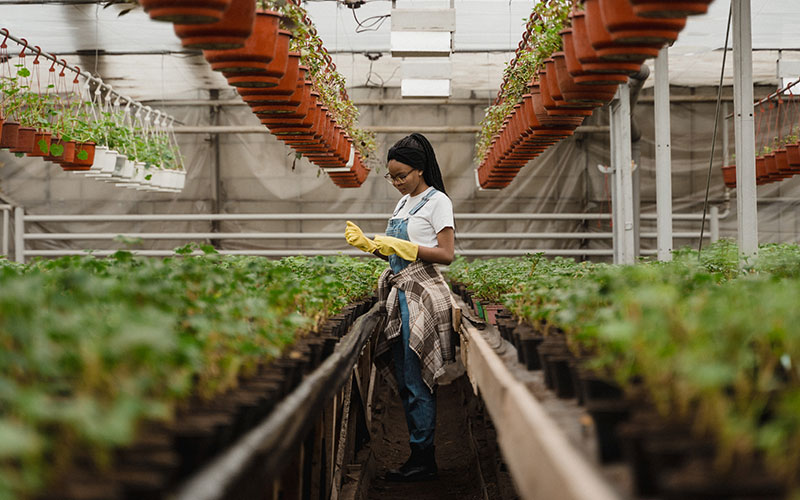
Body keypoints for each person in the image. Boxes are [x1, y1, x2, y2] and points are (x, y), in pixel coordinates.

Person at [344, 133, 455, 482]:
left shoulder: (438, 202)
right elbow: (395, 250)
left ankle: (424, 457)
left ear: (419, 170)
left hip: (422, 293)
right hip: (400, 293)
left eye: (401, 175)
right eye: (391, 177)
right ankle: (418, 452)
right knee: (407, 379)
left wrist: (408, 249)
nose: (396, 182)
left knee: (416, 379)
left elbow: (446, 254)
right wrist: (371, 246)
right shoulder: (403, 203)